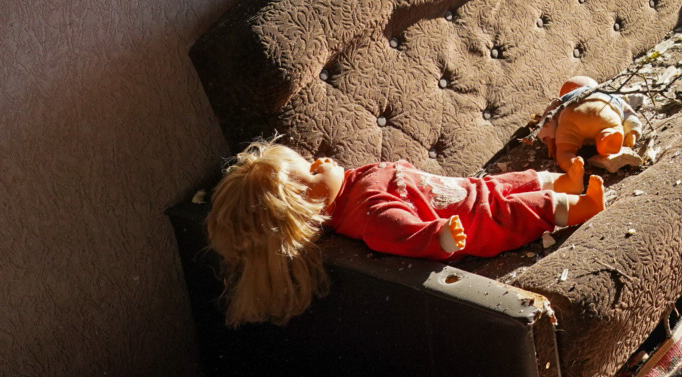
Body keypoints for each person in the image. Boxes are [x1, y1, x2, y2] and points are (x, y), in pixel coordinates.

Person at [205, 139, 603, 325]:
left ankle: (560, 182)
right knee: (514, 210)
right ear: (308, 210)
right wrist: (442, 237)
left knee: (508, 183)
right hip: (474, 221)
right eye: (311, 171)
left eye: (309, 160)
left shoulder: (351, 184)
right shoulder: (369, 214)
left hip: (466, 190)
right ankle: (573, 208)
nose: (321, 160)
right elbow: (407, 237)